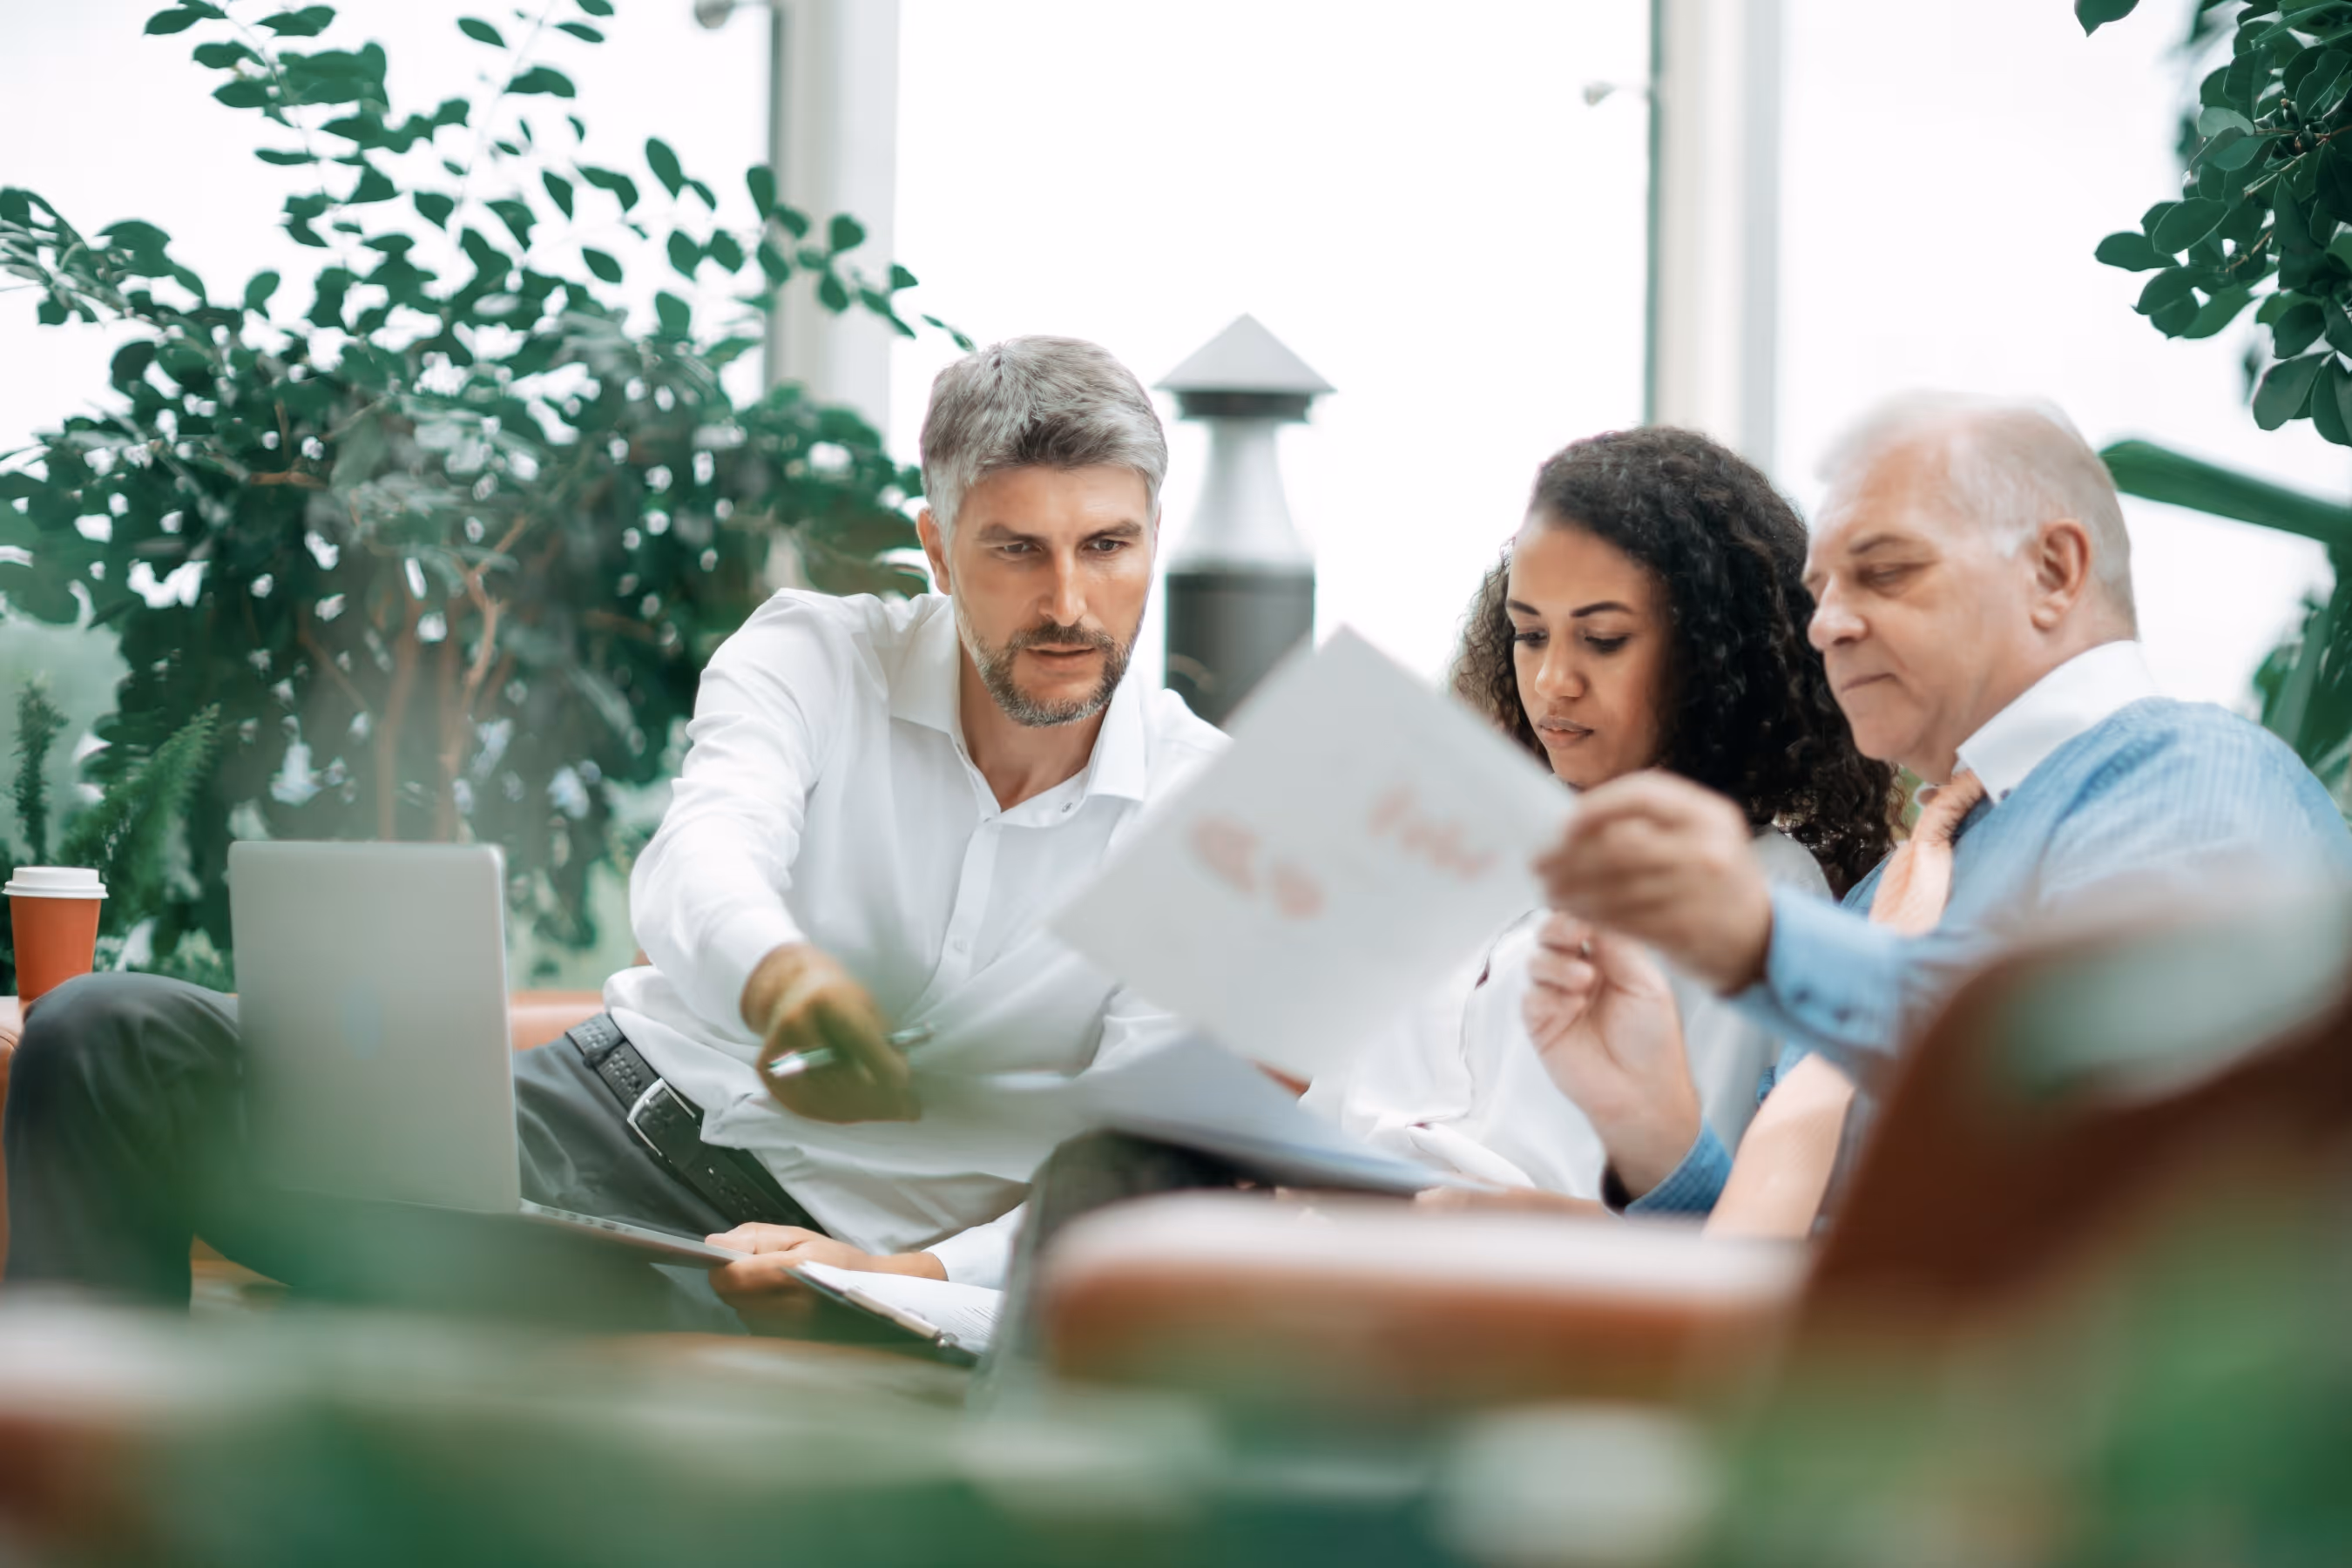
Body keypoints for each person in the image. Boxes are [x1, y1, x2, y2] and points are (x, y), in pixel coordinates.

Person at [3, 336, 1224, 1330]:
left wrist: (908, 1277)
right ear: (939, 552)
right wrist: (780, 973)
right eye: (1018, 551)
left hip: (770, 1262)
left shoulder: (1211, 818)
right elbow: (706, 854)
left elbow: (1141, 1155)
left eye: (1107, 547)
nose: (1070, 604)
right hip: (578, 1114)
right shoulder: (813, 652)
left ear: (1150, 543)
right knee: (106, 1033)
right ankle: (96, 1475)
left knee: (569, 1348)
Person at [1531, 394, 2352, 1228]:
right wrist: (1655, 1129)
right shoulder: (1884, 897)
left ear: (2053, 572)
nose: (1828, 627)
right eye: (1820, 591)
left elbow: (2119, 1111)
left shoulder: (2193, 775)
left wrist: (1766, 944)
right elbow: (1813, 1264)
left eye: (1885, 572)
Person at [1302, 428, 1897, 1199]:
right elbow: (1324, 1105)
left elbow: (1696, 1204)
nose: (1552, 681)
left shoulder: (1757, 889)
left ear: (1713, 652)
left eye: (1603, 640)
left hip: (1521, 1295)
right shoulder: (1452, 839)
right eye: (1528, 634)